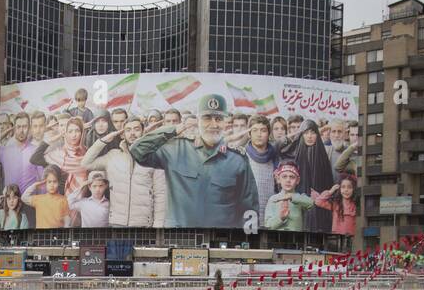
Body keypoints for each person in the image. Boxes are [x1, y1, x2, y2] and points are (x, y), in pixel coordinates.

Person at [129, 93, 259, 230]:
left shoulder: (237, 159)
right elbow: (138, 151)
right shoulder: (176, 149)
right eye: (207, 118)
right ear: (198, 120)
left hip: (220, 242)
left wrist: (246, 244)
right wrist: (174, 130)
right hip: (179, 239)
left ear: (225, 122)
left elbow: (249, 208)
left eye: (218, 118)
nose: (213, 124)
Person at [81, 117, 157, 227]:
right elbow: (86, 163)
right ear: (122, 134)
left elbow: (160, 194)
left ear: (143, 131)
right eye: (128, 130)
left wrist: (157, 224)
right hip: (117, 222)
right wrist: (105, 140)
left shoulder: (154, 156)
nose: (132, 133)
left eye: (136, 129)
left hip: (143, 223)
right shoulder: (113, 156)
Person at [279, 119, 336, 233]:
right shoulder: (292, 157)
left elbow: (328, 183)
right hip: (296, 205)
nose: (309, 136)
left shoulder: (323, 158)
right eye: (306, 133)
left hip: (320, 209)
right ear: (301, 135)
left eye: (313, 132)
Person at [31, 117, 88, 195]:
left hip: (84, 200)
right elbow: (34, 159)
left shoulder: (88, 153)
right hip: (62, 201)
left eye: (77, 131)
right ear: (66, 133)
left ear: (82, 133)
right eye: (70, 131)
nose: (74, 135)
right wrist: (55, 138)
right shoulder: (59, 154)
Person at [244, 114, 280, 220]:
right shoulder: (241, 156)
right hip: (247, 214)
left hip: (271, 213)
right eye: (255, 130)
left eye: (263, 130)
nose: (259, 134)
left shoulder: (276, 158)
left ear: (269, 134)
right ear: (249, 134)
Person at [264, 160, 315, 232]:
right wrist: (280, 218)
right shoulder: (273, 199)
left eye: (292, 177)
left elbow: (311, 203)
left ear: (297, 180)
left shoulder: (300, 198)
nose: (288, 180)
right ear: (278, 179)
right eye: (284, 176)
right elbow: (267, 225)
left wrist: (291, 196)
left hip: (296, 240)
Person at [0, 111, 41, 194]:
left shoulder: (36, 151)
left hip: (29, 203)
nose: (21, 130)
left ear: (29, 128)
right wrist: (6, 131)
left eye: (24, 126)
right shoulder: (4, 151)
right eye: (18, 127)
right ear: (14, 128)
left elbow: (42, 180)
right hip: (10, 202)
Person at [23, 164, 72, 229]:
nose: (52, 185)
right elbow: (24, 197)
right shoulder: (39, 199)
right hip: (41, 237)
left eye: (54, 182)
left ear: (59, 182)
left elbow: (67, 222)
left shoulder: (63, 200)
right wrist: (35, 185)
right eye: (49, 182)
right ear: (45, 182)